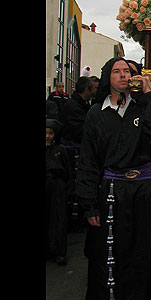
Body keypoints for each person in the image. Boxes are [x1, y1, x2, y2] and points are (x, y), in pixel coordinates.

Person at [75, 57, 151, 300]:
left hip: (147, 188)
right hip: (112, 190)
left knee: (149, 248)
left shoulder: (146, 105)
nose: (122, 75)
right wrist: (88, 205)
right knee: (109, 250)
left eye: (128, 71)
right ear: (107, 77)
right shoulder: (96, 113)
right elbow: (89, 160)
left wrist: (150, 93)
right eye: (116, 71)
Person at [59, 76, 96, 231]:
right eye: (93, 88)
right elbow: (79, 130)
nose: (95, 91)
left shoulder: (80, 105)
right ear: (87, 90)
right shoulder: (74, 107)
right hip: (72, 151)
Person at [46, 118, 73, 265]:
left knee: (58, 219)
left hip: (58, 187)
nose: (48, 136)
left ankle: (59, 252)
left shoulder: (60, 150)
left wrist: (69, 189)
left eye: (51, 133)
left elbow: (68, 171)